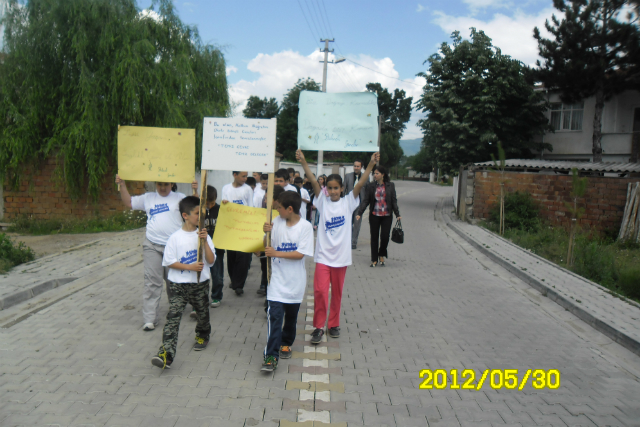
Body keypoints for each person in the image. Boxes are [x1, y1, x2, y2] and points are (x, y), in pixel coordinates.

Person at [297, 149, 378, 344]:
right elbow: (314, 181)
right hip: (323, 257)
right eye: (330, 188)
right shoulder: (322, 202)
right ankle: (318, 327)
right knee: (320, 292)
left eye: (336, 188)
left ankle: (333, 324)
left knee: (337, 294)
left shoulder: (349, 202)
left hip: (341, 258)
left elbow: (360, 183)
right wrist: (304, 162)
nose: (333, 191)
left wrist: (370, 165)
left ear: (342, 189)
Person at [114, 175, 197, 331]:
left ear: (172, 183)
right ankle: (150, 318)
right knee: (152, 282)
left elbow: (195, 210)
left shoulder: (180, 198)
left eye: (166, 184)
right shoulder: (148, 197)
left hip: (173, 247)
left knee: (173, 281)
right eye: (159, 184)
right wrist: (122, 185)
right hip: (152, 245)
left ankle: (176, 309)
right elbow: (129, 202)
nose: (163, 187)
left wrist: (195, 191)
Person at [151, 196, 215, 369]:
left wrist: (204, 242)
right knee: (173, 317)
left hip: (200, 284)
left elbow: (211, 260)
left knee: (202, 314)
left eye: (202, 213)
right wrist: (190, 267)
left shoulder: (204, 236)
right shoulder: (175, 238)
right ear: (185, 216)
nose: (200, 217)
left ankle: (203, 334)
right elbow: (169, 262)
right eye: (196, 213)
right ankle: (167, 354)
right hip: (178, 285)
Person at [260, 191, 314, 372]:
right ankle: (270, 356)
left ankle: (286, 341)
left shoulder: (305, 227)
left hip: (295, 283)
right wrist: (265, 234)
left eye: (279, 209)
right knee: (274, 317)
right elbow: (266, 247)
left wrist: (276, 253)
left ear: (290, 209)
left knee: (291, 317)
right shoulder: (275, 223)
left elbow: (300, 254)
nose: (277, 212)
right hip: (276, 281)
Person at [356, 165, 401, 267]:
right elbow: (366, 200)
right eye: (374, 173)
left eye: (377, 173)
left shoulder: (390, 185)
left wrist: (397, 214)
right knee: (374, 237)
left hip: (387, 215)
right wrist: (359, 213)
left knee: (385, 237)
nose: (375, 175)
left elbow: (393, 201)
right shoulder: (371, 186)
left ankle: (382, 253)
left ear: (382, 175)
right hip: (374, 215)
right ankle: (374, 259)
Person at [221, 171, 254, 295]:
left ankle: (239, 284)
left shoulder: (248, 190)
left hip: (244, 226)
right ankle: (233, 279)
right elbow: (225, 204)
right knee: (231, 256)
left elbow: (251, 207)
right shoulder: (226, 188)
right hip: (231, 226)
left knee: (243, 257)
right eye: (243, 176)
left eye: (246, 176)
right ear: (235, 175)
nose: (245, 179)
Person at [204, 186, 225, 307]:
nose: (210, 206)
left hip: (218, 248)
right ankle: (201, 297)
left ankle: (216, 296)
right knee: (202, 274)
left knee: (217, 274)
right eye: (207, 203)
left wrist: (227, 206)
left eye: (212, 203)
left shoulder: (221, 210)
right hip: (203, 247)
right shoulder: (199, 210)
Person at [344, 160, 365, 250]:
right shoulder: (348, 176)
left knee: (357, 224)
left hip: (359, 205)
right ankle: (347, 240)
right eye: (355, 166)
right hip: (349, 204)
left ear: (361, 167)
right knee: (348, 223)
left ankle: (353, 242)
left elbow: (367, 191)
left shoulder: (365, 177)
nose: (356, 168)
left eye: (358, 166)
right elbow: (344, 189)